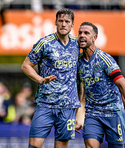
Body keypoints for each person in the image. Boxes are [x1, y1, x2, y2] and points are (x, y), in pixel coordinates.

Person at [21, 8, 81, 148]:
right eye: (60, 21)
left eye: (67, 21)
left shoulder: (78, 44)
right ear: (55, 22)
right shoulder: (45, 43)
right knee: (34, 145)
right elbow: (26, 66)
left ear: (72, 24)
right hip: (45, 104)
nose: (63, 24)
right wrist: (40, 79)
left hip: (68, 107)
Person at [75, 22, 125, 148]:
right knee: (90, 145)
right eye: (80, 33)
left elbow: (123, 85)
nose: (82, 35)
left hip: (113, 113)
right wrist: (76, 115)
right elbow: (80, 91)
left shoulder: (105, 60)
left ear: (95, 38)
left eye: (86, 33)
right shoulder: (78, 62)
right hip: (93, 114)